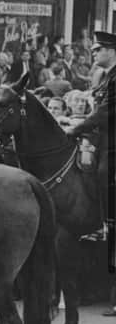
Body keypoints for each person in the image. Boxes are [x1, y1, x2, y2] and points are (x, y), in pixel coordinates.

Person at [66, 31, 116, 228]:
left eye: (98, 50)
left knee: (103, 172)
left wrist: (75, 129)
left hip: (112, 138)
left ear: (111, 51)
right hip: (103, 135)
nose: (93, 54)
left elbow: (103, 113)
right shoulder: (106, 76)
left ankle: (105, 222)